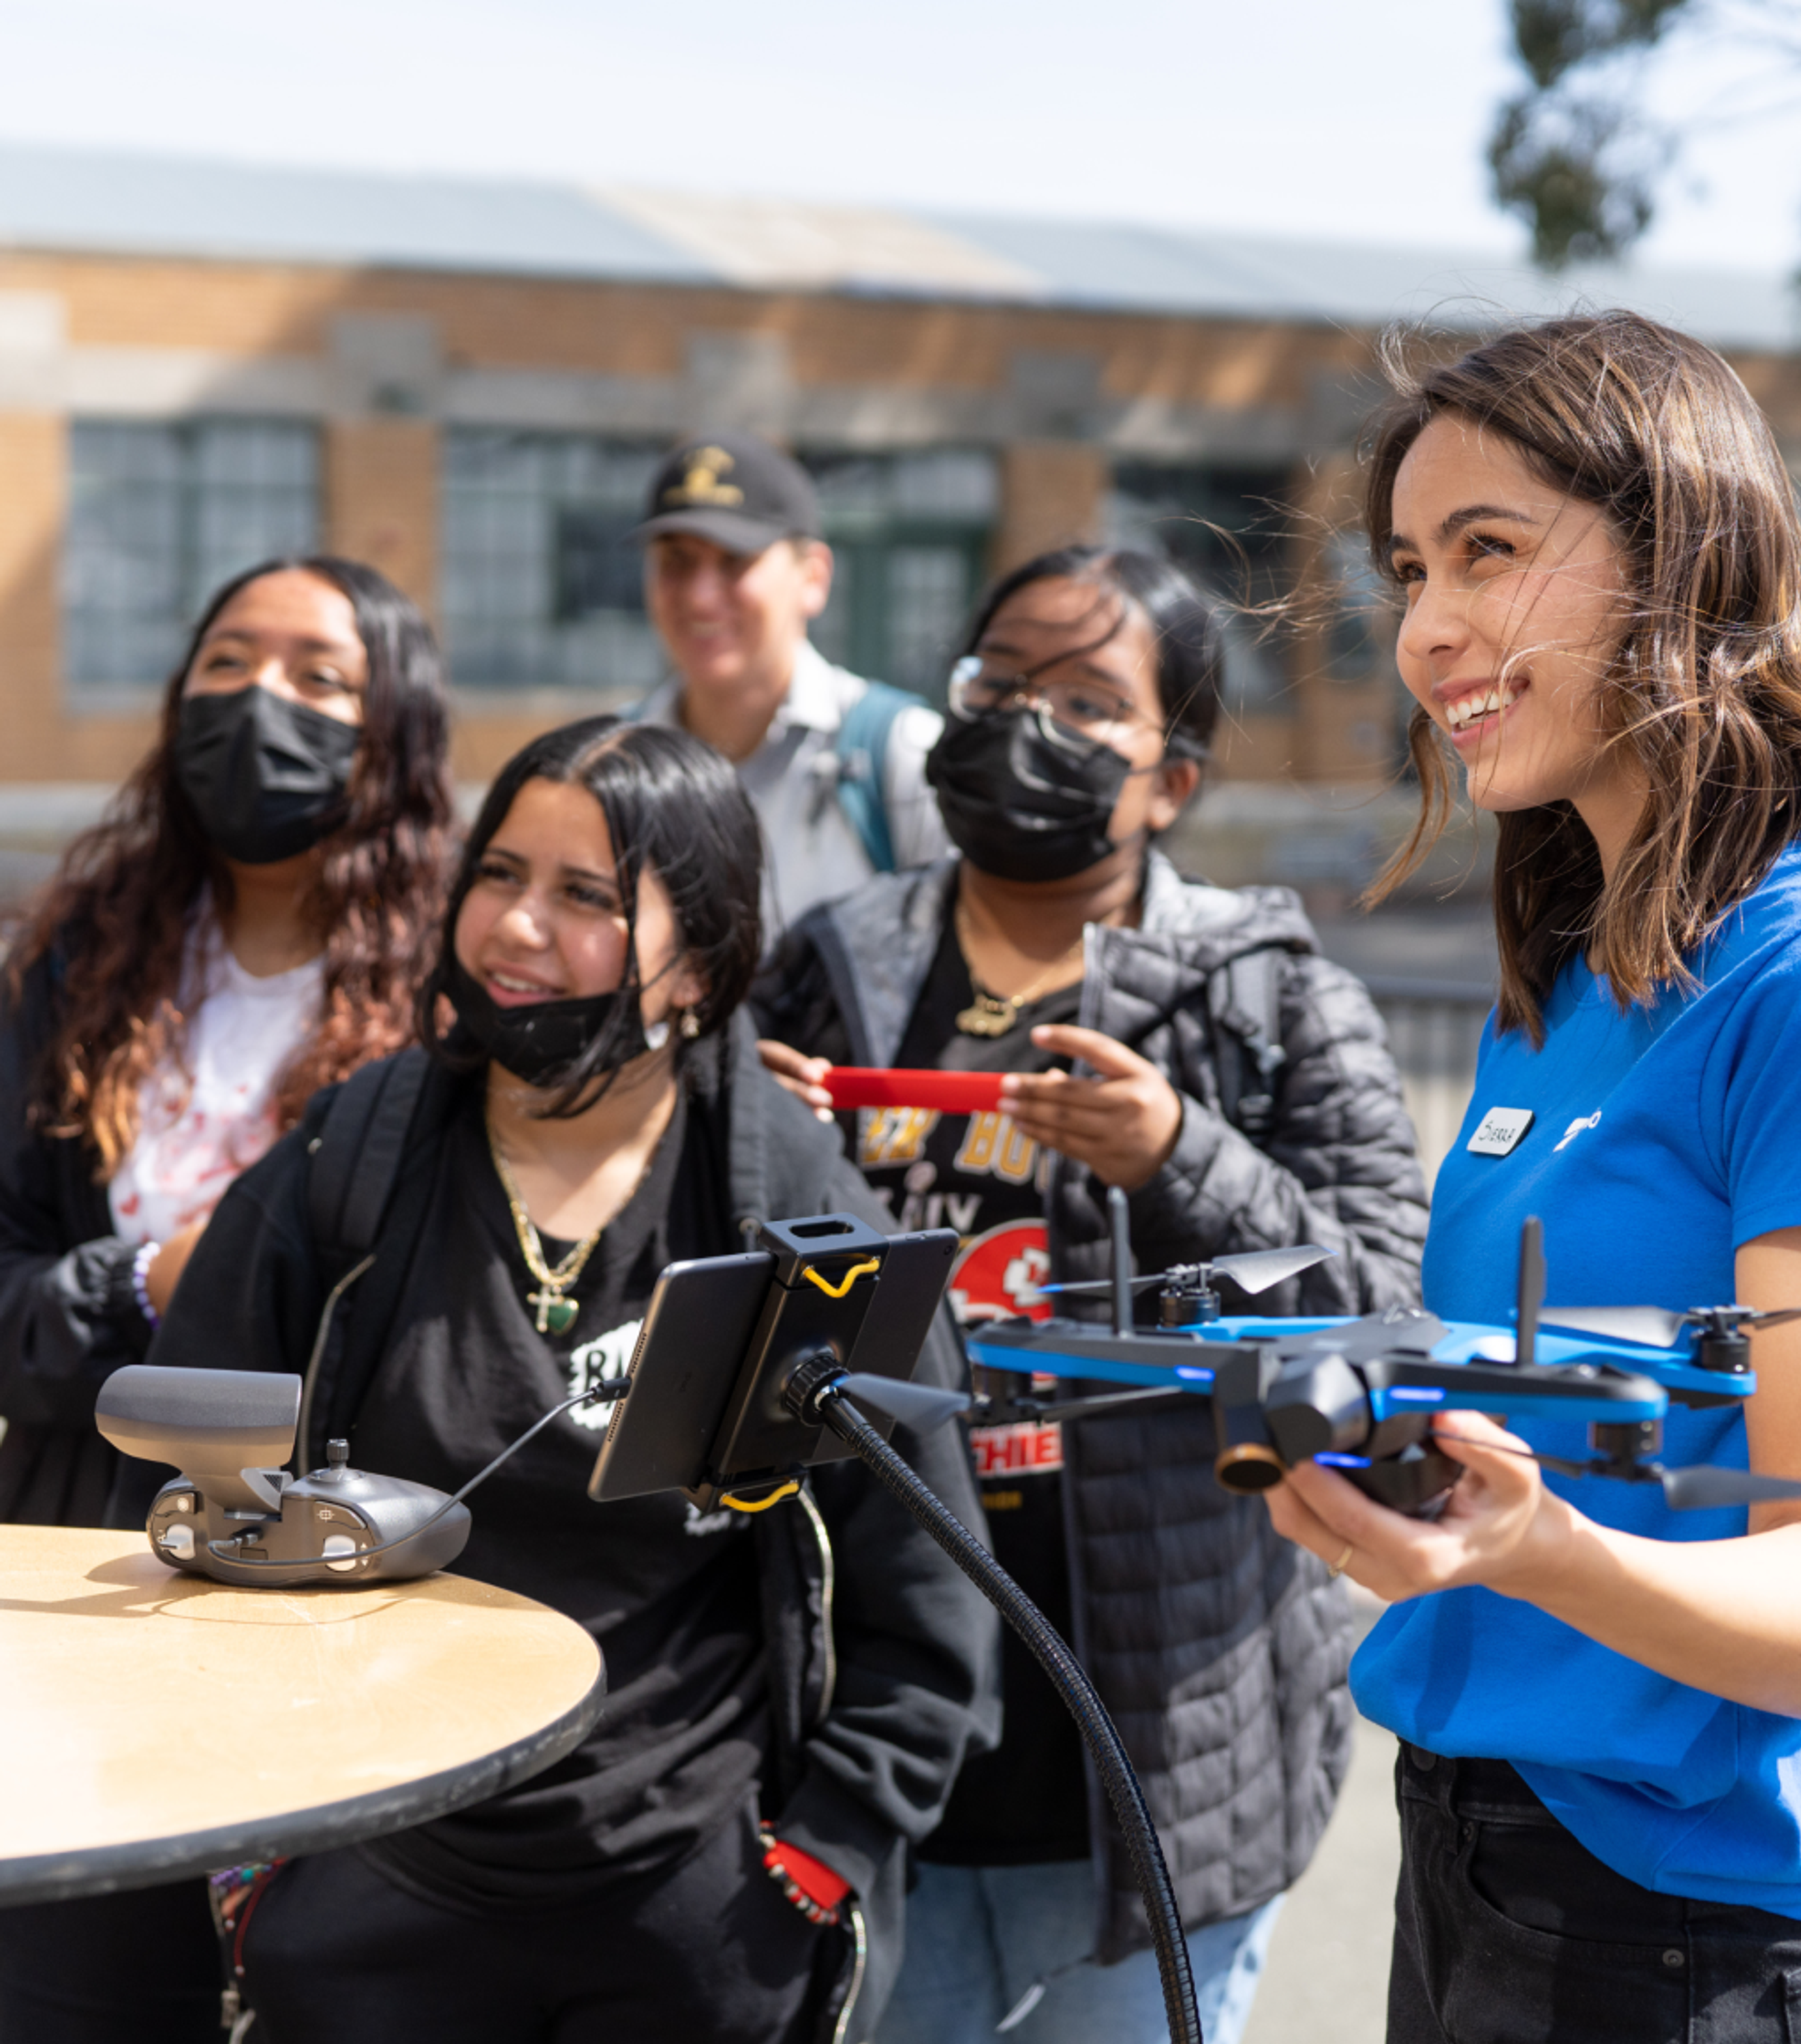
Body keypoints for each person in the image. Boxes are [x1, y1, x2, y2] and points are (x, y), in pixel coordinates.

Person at [1260, 313, 1801, 2044]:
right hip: (1468, 1847)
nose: (1428, 627)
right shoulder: (1582, 967)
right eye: (1406, 569)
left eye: (1488, 552)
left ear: (1681, 558)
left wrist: (1526, 1543)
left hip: (1680, 1937)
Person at [138, 716, 1000, 2044]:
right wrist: (262, 1869)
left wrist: (819, 1857)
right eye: (499, 873)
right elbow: (181, 1492)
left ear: (698, 964)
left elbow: (928, 1597)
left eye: (586, 896)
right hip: (367, 1894)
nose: (517, 928)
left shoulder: (797, 1220)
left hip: (701, 1923)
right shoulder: (352, 1164)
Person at [752, 544, 1430, 2044]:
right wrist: (749, 1137)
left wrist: (1184, 1155)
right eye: (996, 687)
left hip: (1152, 1753)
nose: (1024, 725)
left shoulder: (1269, 989)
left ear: (1172, 780)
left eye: (1084, 700)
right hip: (876, 1732)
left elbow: (1388, 1308)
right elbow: (710, 1302)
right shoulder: (826, 968)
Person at [0, 554, 455, 2044]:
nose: (262, 703)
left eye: (320, 678)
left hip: (338, 1611)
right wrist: (141, 1283)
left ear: (391, 731)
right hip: (82, 1588)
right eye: (226, 664)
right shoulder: (74, 969)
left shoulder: (458, 1006)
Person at [628, 428, 948, 942]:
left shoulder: (901, 754)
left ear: (814, 577)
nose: (700, 597)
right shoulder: (618, 758)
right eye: (676, 563)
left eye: (735, 561)